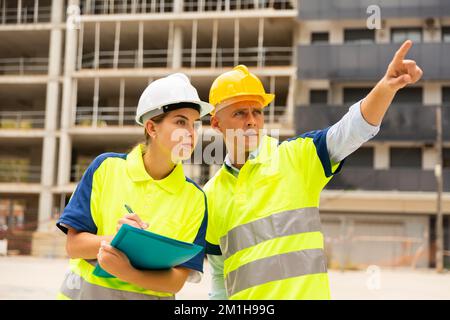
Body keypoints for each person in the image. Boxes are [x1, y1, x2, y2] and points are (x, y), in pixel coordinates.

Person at [205, 40, 423, 299]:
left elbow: (351, 130)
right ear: (217, 124)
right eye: (240, 113)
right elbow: (220, 277)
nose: (252, 121)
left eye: (257, 111)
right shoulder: (210, 195)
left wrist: (386, 87)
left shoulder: (296, 157)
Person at [56, 73, 213, 300]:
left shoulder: (195, 198)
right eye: (180, 121)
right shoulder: (106, 168)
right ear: (152, 127)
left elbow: (177, 280)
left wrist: (125, 271)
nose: (190, 132)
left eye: (194, 124)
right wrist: (116, 240)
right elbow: (74, 246)